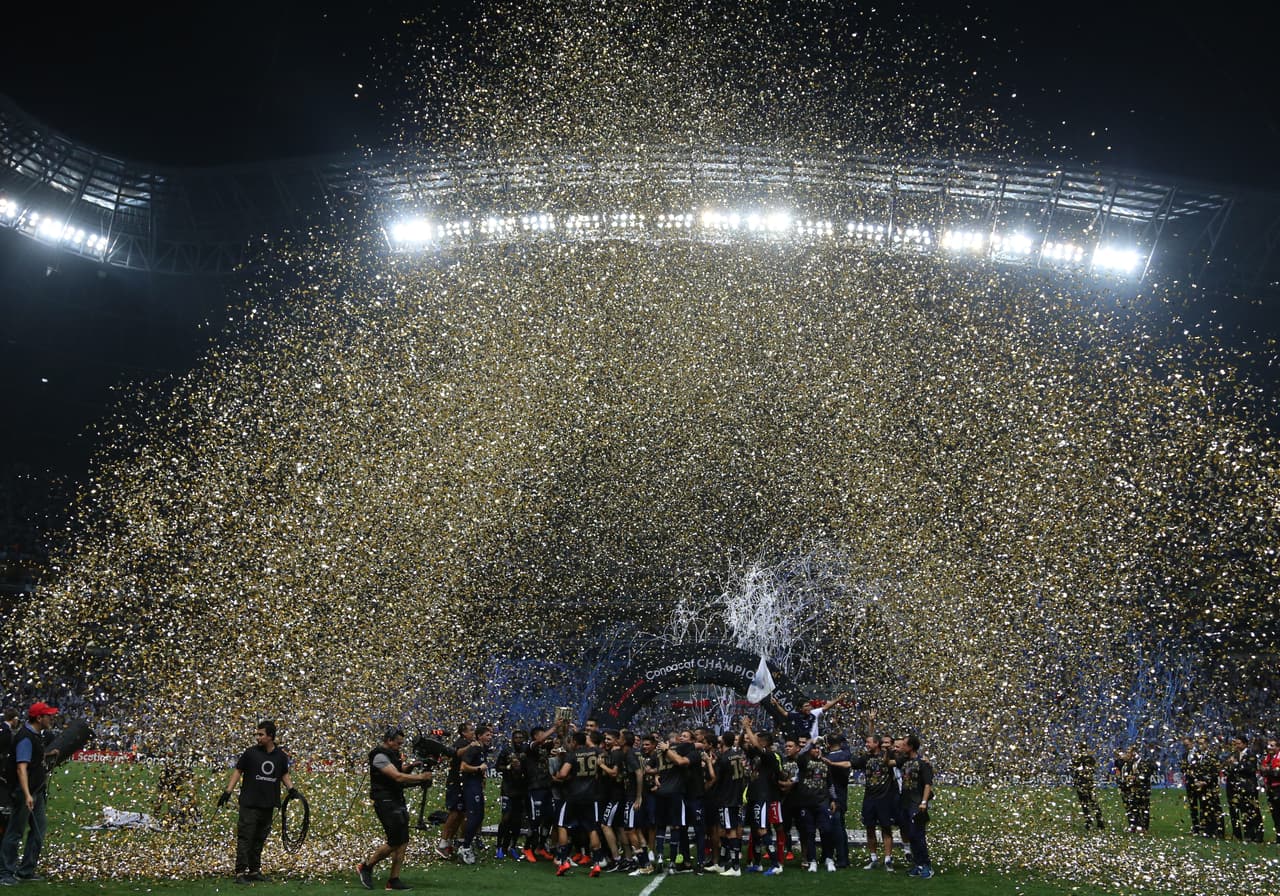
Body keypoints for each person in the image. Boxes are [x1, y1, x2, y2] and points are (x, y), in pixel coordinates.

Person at [217, 720, 297, 884]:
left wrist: (291, 789)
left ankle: (254, 870)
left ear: (270, 736)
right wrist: (228, 791)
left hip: (268, 804)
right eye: (257, 734)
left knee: (259, 838)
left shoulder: (280, 756)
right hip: (250, 803)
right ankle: (240, 872)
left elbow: (283, 774)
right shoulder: (250, 753)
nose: (257, 737)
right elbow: (238, 771)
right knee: (246, 837)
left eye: (261, 734)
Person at [356, 728, 433, 891]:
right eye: (398, 743)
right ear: (389, 740)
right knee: (395, 841)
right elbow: (397, 777)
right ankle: (366, 867)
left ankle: (393, 880)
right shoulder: (379, 756)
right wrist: (421, 777)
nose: (400, 746)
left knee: (403, 841)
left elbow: (400, 772)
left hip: (396, 799)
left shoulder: (392, 754)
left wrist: (410, 767)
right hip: (385, 801)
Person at [0, 702, 59, 886]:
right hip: (26, 792)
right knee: (15, 832)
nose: (51, 718)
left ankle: (26, 870)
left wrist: (48, 755)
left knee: (39, 830)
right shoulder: (25, 738)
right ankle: (5, 872)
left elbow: (32, 758)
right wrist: (26, 795)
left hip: (36, 790)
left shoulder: (35, 735)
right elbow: (21, 768)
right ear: (39, 718)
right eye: (48, 715)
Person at [851, 733, 899, 871]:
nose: (866, 744)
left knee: (886, 828)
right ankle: (873, 858)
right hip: (869, 798)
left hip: (885, 798)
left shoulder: (888, 755)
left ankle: (888, 859)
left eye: (869, 742)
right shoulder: (865, 757)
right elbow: (852, 764)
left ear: (877, 743)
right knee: (869, 827)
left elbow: (901, 758)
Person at [893, 734, 934, 879]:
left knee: (918, 835)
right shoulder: (904, 761)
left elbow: (928, 784)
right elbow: (889, 762)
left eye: (904, 744)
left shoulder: (923, 763)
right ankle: (918, 864)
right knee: (911, 835)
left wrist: (924, 802)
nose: (901, 747)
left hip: (916, 803)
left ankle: (926, 865)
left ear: (910, 747)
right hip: (905, 803)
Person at [494, 729, 528, 860]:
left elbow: (529, 769)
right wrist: (509, 767)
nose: (518, 740)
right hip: (508, 789)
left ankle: (512, 846)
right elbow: (498, 767)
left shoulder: (526, 751)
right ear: (512, 739)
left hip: (521, 790)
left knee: (517, 820)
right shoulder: (506, 751)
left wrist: (521, 769)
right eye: (516, 737)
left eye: (521, 737)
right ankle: (499, 846)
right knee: (505, 818)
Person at [1223, 735, 1264, 843]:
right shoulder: (1234, 755)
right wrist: (1228, 767)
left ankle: (1256, 835)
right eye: (1235, 744)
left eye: (1239, 743)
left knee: (1251, 811)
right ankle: (1241, 834)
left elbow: (1249, 769)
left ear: (1245, 744)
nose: (1236, 746)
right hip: (1234, 787)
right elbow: (1227, 769)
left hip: (1248, 787)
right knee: (1238, 810)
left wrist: (1235, 764)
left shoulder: (1251, 755)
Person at [1071, 742, 1105, 830]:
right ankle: (1095, 822)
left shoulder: (1085, 758)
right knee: (1089, 803)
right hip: (1085, 783)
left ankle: (1094, 822)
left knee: (1089, 803)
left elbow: (1090, 769)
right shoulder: (1082, 758)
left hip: (1086, 783)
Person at [1261, 736, 1280, 844]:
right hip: (1271, 787)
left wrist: (1268, 770)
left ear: (1278, 747)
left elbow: (1277, 773)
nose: (1269, 747)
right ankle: (1278, 837)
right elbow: (1262, 770)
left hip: (1278, 787)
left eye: (1272, 745)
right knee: (1275, 813)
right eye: (1268, 745)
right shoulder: (1267, 757)